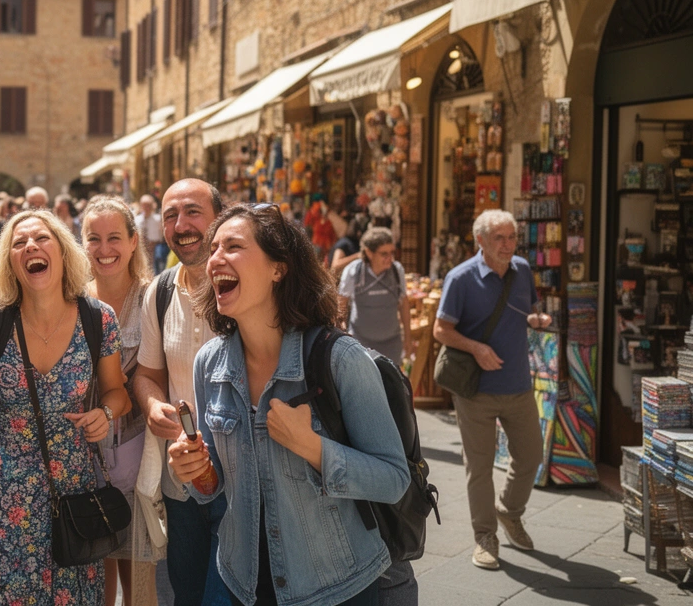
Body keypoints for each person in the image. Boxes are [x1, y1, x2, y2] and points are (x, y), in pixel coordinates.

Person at [167, 203, 410, 606]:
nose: (215, 259)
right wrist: (195, 470)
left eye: (233, 246)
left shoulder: (340, 360)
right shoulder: (208, 364)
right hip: (244, 584)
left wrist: (312, 446)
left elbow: (393, 479)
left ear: (278, 268)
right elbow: (213, 489)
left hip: (337, 586)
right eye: (213, 249)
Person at [0, 210, 131, 606]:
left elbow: (118, 392)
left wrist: (105, 414)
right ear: (11, 263)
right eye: (19, 243)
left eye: (42, 238)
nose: (31, 246)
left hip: (72, 495)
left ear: (63, 252)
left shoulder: (98, 318)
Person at [433, 209, 551, 571]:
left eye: (511, 237)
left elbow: (529, 309)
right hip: (475, 391)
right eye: (498, 238)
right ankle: (485, 536)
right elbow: (441, 330)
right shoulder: (461, 278)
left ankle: (509, 511)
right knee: (479, 467)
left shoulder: (523, 271)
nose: (507, 245)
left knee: (531, 456)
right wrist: (477, 348)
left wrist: (537, 319)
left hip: (517, 383)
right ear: (480, 241)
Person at [131, 178, 227, 606]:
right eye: (170, 215)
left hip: (240, 481)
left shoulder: (243, 286)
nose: (181, 224)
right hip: (182, 482)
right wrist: (152, 404)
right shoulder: (161, 291)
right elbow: (147, 373)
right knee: (187, 595)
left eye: (192, 212)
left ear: (219, 220)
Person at [81, 196, 158, 606]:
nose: (104, 249)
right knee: (92, 575)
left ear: (133, 242)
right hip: (80, 460)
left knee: (139, 582)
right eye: (94, 238)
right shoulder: (70, 300)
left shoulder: (153, 299)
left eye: (114, 238)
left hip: (138, 457)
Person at [337, 227, 414, 366]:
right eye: (384, 254)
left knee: (391, 386)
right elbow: (341, 307)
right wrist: (343, 334)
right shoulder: (354, 271)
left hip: (392, 345)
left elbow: (404, 304)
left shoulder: (397, 271)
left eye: (392, 252)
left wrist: (408, 338)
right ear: (369, 253)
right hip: (361, 345)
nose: (389, 258)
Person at [134, 195, 167, 274]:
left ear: (153, 206)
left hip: (156, 251)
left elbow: (163, 236)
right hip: (141, 250)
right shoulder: (136, 220)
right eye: (144, 205)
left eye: (148, 205)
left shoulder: (158, 219)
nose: (146, 208)